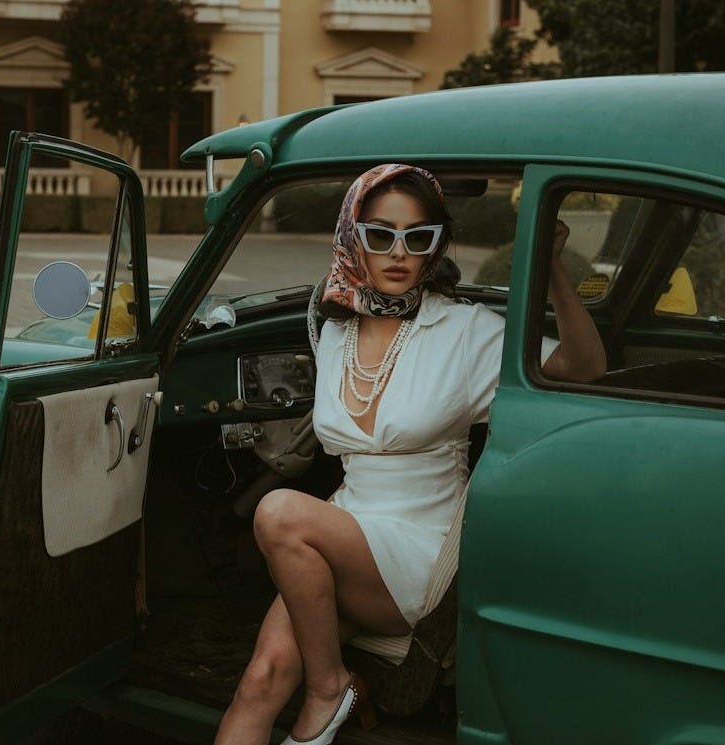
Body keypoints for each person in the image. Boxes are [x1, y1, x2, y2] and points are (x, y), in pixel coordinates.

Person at [213, 164, 605, 745]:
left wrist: (549, 267)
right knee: (260, 680)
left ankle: (328, 689)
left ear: (435, 246)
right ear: (352, 237)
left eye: (418, 237)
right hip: (344, 537)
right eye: (380, 235)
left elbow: (585, 367)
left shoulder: (466, 331)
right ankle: (325, 691)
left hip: (421, 554)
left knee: (278, 514)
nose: (399, 252)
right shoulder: (332, 329)